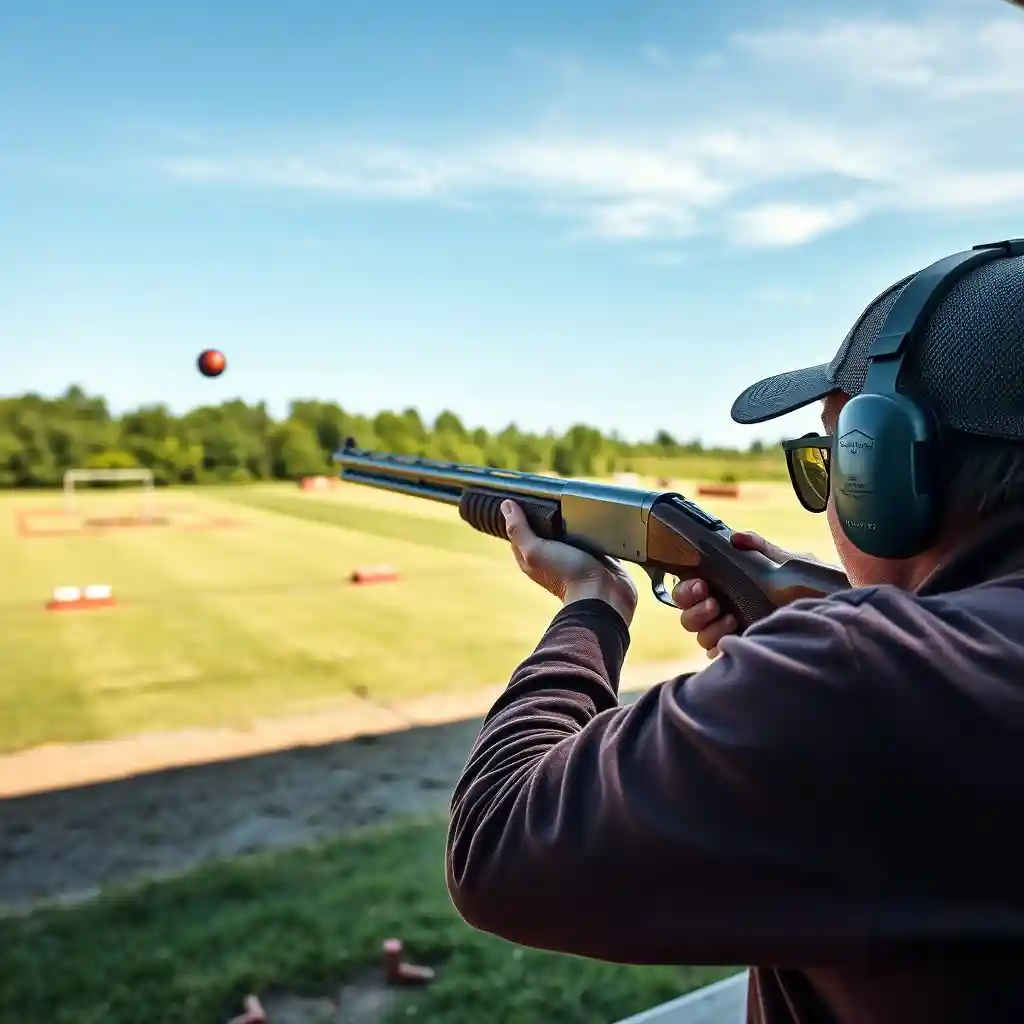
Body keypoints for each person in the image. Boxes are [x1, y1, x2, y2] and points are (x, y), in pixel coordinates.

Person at [444, 242, 1024, 1023]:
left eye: (832, 461)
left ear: (886, 475)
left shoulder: (857, 679)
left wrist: (590, 605)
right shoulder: (891, 667)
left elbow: (495, 847)